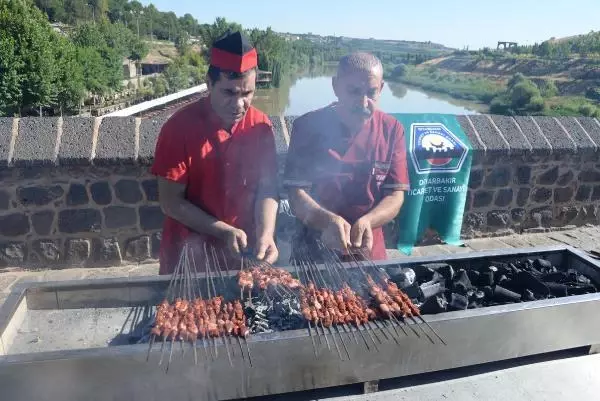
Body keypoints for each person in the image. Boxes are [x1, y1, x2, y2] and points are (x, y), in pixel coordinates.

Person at [151, 31, 279, 275]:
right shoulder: (179, 128)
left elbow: (268, 189)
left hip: (243, 253)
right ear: (209, 84)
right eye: (229, 92)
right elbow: (171, 203)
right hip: (189, 255)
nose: (239, 104)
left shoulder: (261, 126)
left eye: (247, 93)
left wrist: (266, 234)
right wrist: (223, 230)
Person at [283, 52, 409, 261]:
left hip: (368, 249)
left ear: (382, 88)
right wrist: (327, 221)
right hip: (315, 249)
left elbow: (396, 195)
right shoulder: (307, 127)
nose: (363, 101)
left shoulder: (392, 129)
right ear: (335, 87)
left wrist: (369, 221)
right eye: (354, 91)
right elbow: (296, 194)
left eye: (371, 92)